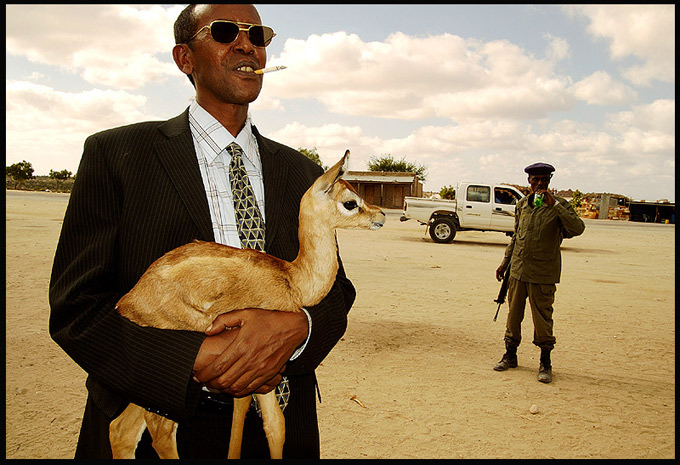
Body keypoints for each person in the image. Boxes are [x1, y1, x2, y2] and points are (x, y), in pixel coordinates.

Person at [49, 4, 356, 459]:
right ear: (184, 59)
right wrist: (191, 358)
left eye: (258, 34)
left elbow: (336, 291)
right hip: (162, 427)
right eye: (226, 31)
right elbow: (77, 309)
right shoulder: (116, 155)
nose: (246, 44)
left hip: (278, 430)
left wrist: (299, 328)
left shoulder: (302, 172)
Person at [493, 162, 585, 383]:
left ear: (550, 181)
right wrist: (505, 262)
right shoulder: (522, 205)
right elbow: (516, 236)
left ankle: (545, 362)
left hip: (543, 273)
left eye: (544, 180)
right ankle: (510, 355)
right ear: (529, 182)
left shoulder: (559, 205)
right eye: (536, 180)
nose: (540, 184)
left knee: (543, 318)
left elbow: (577, 228)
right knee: (513, 315)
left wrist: (555, 205)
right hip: (518, 270)